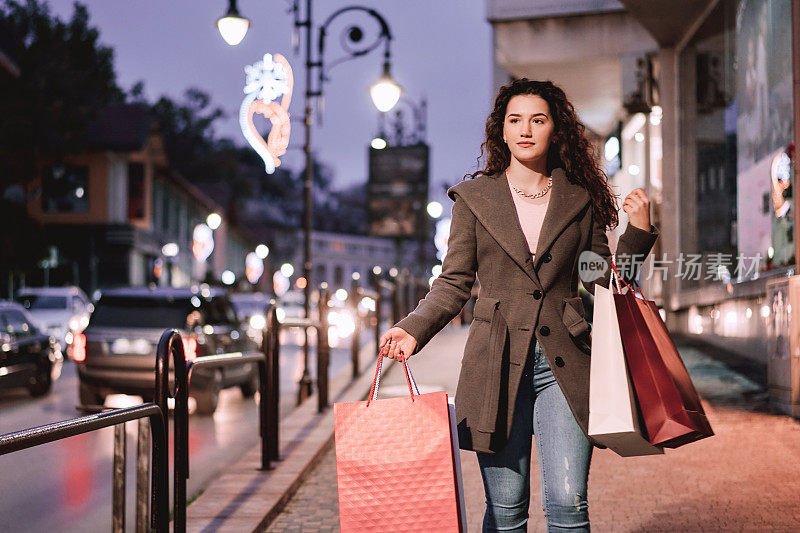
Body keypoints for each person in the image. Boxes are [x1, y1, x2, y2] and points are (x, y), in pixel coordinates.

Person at [378, 79, 659, 532]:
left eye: (538, 119)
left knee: (569, 504)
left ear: (555, 131)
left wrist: (638, 232)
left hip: (565, 366)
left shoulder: (580, 199)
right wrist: (414, 327)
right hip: (496, 364)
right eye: (515, 120)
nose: (526, 129)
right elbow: (454, 283)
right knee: (506, 511)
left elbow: (601, 281)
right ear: (502, 132)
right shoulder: (473, 200)